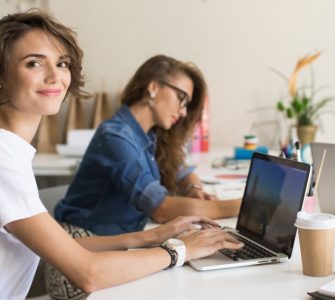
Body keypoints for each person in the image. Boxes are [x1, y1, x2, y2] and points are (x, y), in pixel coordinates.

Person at [0, 11, 242, 300]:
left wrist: (154, 236)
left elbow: (179, 168)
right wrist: (183, 248)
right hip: (78, 269)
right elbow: (88, 273)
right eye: (34, 63)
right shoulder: (6, 160)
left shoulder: (14, 152)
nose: (55, 76)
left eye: (62, 63)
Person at [53, 54, 241, 236]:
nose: (183, 112)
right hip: (83, 241)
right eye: (181, 99)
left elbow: (183, 172)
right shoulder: (116, 137)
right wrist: (240, 206)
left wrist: (195, 189)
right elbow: (160, 208)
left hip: (119, 236)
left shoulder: (150, 135)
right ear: (153, 88)